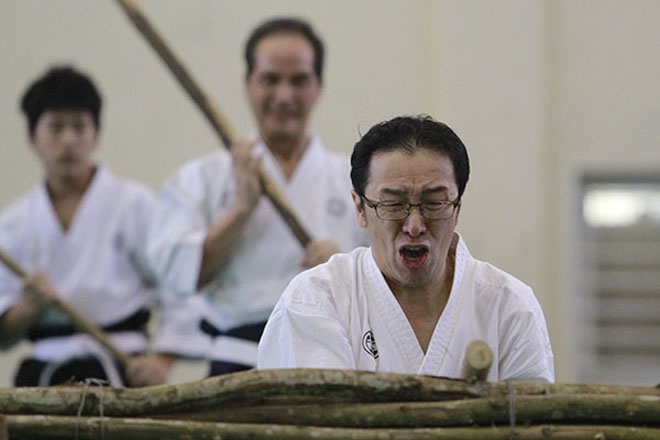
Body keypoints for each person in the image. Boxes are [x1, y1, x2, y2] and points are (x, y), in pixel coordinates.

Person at [258, 115, 555, 382]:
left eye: (434, 202)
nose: (414, 225)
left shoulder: (510, 307)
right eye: (393, 204)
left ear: (457, 207)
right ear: (360, 208)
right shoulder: (317, 299)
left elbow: (531, 417)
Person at [147, 17, 367, 376]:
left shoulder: (356, 179)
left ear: (319, 87)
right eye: (270, 79)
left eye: (299, 80)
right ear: (248, 84)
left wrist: (344, 271)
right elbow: (182, 276)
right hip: (236, 365)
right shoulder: (202, 178)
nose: (284, 96)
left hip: (327, 363)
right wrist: (241, 210)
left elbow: (393, 283)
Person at [0, 65, 209, 387]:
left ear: (95, 135)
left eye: (79, 127)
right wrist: (29, 307)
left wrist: (162, 360)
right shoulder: (14, 222)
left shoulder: (134, 204)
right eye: (55, 127)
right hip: (43, 375)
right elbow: (4, 331)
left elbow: (179, 285)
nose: (69, 140)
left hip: (121, 368)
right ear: (31, 138)